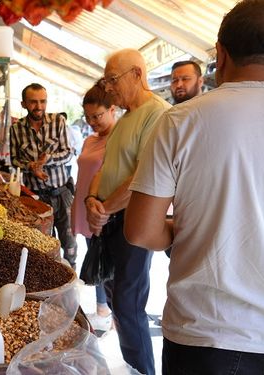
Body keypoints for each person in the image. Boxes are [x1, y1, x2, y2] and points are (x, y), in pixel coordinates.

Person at [124, 1, 264, 374]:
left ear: (219, 53)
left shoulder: (180, 121)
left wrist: (178, 230)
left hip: (204, 339)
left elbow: (140, 231)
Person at [85, 49, 171, 375]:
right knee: (113, 294)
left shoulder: (157, 113)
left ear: (137, 73)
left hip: (133, 219)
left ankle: (143, 370)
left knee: (127, 302)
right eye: (105, 81)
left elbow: (142, 177)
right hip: (109, 217)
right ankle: (135, 366)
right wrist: (93, 200)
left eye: (113, 80)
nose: (108, 89)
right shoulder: (125, 118)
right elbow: (105, 169)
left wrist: (105, 209)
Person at [10, 83, 78, 268]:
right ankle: (51, 281)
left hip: (62, 194)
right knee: (43, 245)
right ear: (23, 104)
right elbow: (14, 161)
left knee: (69, 241)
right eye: (33, 102)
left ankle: (72, 278)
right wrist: (30, 166)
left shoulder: (58, 122)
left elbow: (68, 153)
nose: (38, 106)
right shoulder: (16, 129)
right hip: (35, 199)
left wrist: (46, 160)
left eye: (42, 101)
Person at [71, 82, 117, 333]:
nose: (92, 122)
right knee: (95, 257)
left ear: (113, 109)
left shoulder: (119, 139)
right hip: (85, 207)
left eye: (97, 116)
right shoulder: (90, 140)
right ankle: (104, 308)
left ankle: (113, 313)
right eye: (88, 117)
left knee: (109, 265)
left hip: (105, 212)